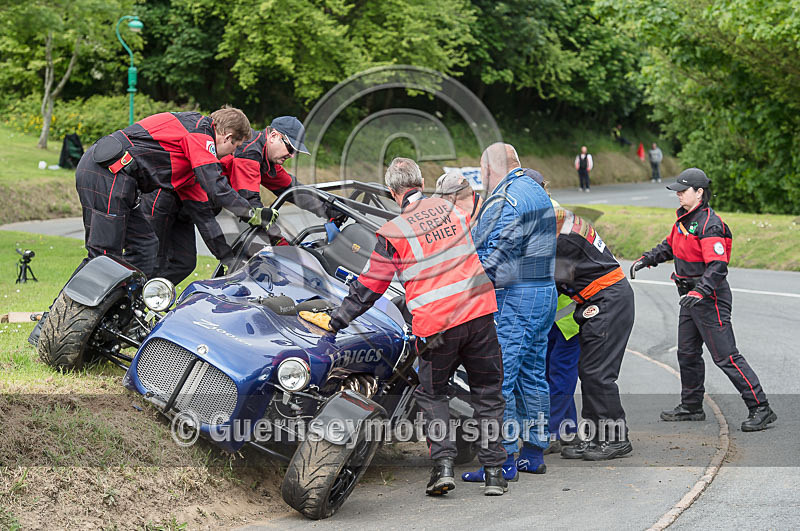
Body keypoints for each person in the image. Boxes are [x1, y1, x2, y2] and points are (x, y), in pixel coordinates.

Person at [301, 157, 510, 497]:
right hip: (480, 315)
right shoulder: (455, 212)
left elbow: (370, 289)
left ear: (391, 192)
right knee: (487, 394)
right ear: (422, 181)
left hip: (437, 326)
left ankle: (443, 468)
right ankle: (495, 474)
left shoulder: (393, 233)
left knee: (432, 394)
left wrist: (335, 322)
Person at [631, 168, 776, 432]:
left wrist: (701, 292)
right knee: (686, 353)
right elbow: (669, 246)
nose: (678, 194)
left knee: (726, 357)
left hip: (710, 298)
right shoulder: (684, 220)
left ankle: (761, 407)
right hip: (690, 298)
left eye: (682, 191)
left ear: (699, 193)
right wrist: (646, 259)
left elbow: (718, 266)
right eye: (677, 190)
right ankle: (691, 407)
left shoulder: (710, 224)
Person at [75, 106, 264, 279]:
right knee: (105, 257)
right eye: (235, 147)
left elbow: (205, 218)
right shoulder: (200, 131)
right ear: (226, 136)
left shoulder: (191, 166)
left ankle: (122, 311)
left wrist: (229, 260)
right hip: (108, 171)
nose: (232, 155)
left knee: (146, 248)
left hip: (120, 179)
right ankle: (59, 314)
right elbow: (216, 186)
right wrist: (251, 212)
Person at [464, 145, 557, 482]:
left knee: (498, 379)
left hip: (516, 296)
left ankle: (501, 461)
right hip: (545, 291)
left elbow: (498, 254)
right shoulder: (536, 189)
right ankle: (533, 454)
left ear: (490, 167)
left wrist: (464, 282)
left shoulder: (506, 199)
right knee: (533, 374)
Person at [140, 116, 309, 284]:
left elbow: (295, 190)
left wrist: (332, 209)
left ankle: (152, 300)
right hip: (166, 197)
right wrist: (277, 239)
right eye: (290, 148)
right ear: (273, 137)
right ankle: (131, 302)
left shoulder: (266, 158)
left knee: (184, 263)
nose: (292, 155)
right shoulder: (250, 152)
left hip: (189, 204)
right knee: (153, 261)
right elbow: (250, 203)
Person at [552, 205, 635, 460]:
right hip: (598, 299)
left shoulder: (563, 240)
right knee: (588, 370)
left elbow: (550, 278)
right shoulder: (564, 223)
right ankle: (596, 437)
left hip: (607, 299)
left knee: (599, 373)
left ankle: (616, 438)